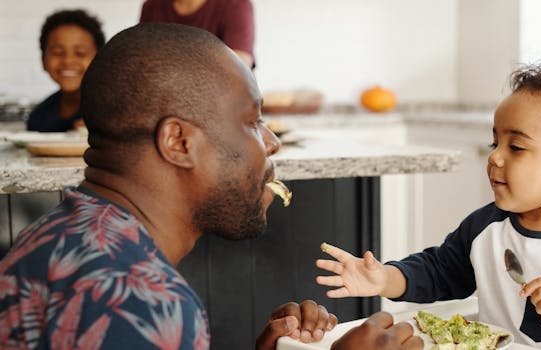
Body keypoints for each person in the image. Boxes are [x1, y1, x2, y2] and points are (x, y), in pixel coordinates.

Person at [0, 23, 421, 350]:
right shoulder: (141, 302)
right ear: (179, 142)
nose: (271, 142)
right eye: (252, 121)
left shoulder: (53, 237)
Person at [316, 62, 541, 349]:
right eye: (495, 143)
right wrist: (384, 278)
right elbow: (441, 271)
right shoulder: (487, 226)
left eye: (516, 147)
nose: (495, 157)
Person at [26, 9, 105, 132]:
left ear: (101, 59)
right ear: (43, 60)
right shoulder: (38, 117)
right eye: (58, 53)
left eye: (80, 53)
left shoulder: (114, 110)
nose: (68, 61)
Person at [139, 0, 255, 68]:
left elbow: (240, 67)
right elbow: (139, 58)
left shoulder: (235, 5)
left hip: (217, 97)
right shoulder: (151, 6)